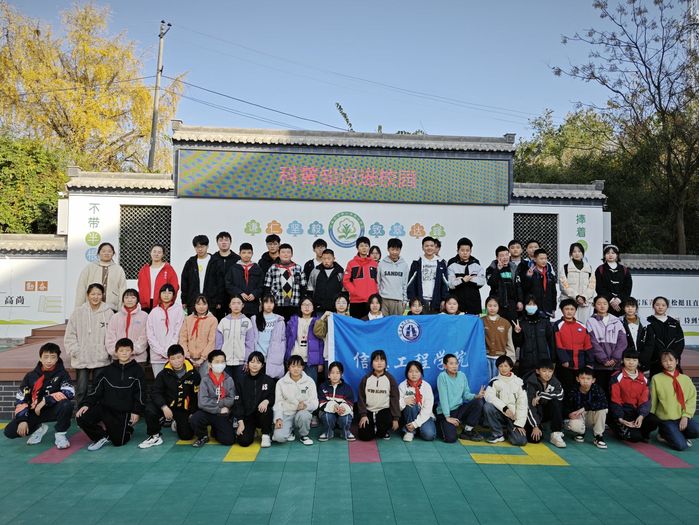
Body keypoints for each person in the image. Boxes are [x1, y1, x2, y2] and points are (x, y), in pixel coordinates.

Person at [75, 338, 146, 451]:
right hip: (105, 408)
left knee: (118, 442)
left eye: (127, 350)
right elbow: (96, 390)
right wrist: (86, 404)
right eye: (121, 350)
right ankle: (101, 436)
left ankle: (127, 429)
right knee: (81, 417)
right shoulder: (107, 370)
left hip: (123, 412)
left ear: (132, 352)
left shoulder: (137, 370)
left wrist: (136, 411)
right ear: (116, 352)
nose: (124, 353)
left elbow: (141, 393)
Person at [3, 342, 74, 450]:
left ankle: (60, 435)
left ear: (57, 359)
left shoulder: (62, 374)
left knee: (66, 405)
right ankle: (38, 428)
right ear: (40, 358)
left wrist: (46, 400)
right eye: (46, 357)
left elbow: (69, 392)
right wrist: (22, 419)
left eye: (53, 357)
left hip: (53, 409)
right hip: (35, 411)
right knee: (10, 432)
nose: (49, 361)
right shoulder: (30, 376)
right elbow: (21, 398)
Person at [139, 344, 201, 448]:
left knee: (187, 436)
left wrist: (192, 412)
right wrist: (163, 406)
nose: (176, 361)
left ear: (184, 357)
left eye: (179, 357)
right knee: (150, 409)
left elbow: (195, 395)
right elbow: (155, 392)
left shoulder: (194, 374)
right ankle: (155, 435)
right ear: (169, 359)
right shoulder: (163, 374)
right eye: (173, 358)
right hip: (167, 407)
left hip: (182, 409)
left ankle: (176, 423)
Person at [64, 283, 114, 406]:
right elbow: (70, 334)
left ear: (102, 295)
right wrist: (75, 351)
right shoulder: (78, 312)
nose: (96, 297)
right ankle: (81, 413)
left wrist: (108, 352)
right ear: (87, 295)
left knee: (98, 389)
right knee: (82, 390)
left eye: (98, 294)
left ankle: (95, 413)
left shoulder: (108, 313)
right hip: (82, 357)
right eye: (93, 294)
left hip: (101, 357)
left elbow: (113, 334)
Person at [642, 351, 697, 451]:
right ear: (661, 363)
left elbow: (691, 399)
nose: (668, 363)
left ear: (677, 361)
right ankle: (663, 433)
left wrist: (686, 416)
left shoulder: (686, 379)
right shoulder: (656, 379)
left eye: (671, 360)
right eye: (665, 361)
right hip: (666, 419)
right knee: (681, 446)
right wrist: (650, 418)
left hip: (682, 417)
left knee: (696, 430)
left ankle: (677, 433)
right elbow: (653, 400)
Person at [189, 350, 236, 447]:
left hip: (222, 414)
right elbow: (202, 402)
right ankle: (203, 436)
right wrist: (219, 408)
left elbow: (231, 399)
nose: (220, 364)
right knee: (195, 419)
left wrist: (218, 405)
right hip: (208, 411)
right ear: (210, 364)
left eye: (222, 362)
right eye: (217, 362)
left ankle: (215, 430)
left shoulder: (229, 379)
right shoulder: (205, 380)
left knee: (228, 440)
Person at [435, 354, 484, 443]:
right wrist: (447, 417)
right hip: (445, 412)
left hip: (458, 409)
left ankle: (467, 431)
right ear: (445, 366)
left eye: (456, 363)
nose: (454, 366)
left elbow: (466, 395)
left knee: (478, 402)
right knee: (451, 439)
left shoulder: (462, 375)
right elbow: (443, 398)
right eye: (451, 363)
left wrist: (476, 396)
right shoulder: (442, 376)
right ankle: (440, 424)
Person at [272, 355, 319, 445]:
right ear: (288, 367)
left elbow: (315, 402)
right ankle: (290, 430)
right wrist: (278, 418)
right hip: (287, 414)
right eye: (293, 366)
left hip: (301, 413)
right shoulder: (281, 382)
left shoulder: (309, 381)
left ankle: (304, 435)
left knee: (304, 415)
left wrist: (306, 406)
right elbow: (278, 403)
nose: (296, 369)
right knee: (279, 438)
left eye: (299, 366)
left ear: (302, 367)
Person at [233, 351, 276, 448]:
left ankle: (266, 434)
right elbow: (238, 402)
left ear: (262, 365)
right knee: (243, 442)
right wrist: (240, 422)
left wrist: (267, 401)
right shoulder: (241, 380)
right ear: (248, 363)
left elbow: (273, 396)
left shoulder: (268, 380)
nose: (255, 365)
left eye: (258, 362)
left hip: (261, 415)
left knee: (266, 410)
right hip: (247, 417)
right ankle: (252, 431)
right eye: (252, 362)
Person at [586, 295, 627, 396]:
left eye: (605, 303)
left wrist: (615, 358)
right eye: (599, 304)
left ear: (609, 305)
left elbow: (622, 341)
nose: (602, 306)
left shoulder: (616, 321)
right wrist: (603, 359)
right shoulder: (591, 321)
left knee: (614, 392)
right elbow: (592, 342)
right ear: (594, 305)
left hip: (615, 365)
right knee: (600, 391)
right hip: (599, 365)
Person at [483, 355, 528, 446]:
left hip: (514, 417)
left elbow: (523, 404)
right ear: (497, 368)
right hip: (500, 414)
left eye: (506, 366)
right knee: (488, 406)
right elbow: (489, 396)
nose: (503, 369)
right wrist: (505, 409)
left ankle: (509, 431)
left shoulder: (519, 382)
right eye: (500, 366)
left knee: (520, 441)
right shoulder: (494, 381)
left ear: (511, 367)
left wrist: (519, 424)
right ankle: (498, 434)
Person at [357, 350, 401, 441]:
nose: (379, 363)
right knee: (364, 436)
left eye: (382, 360)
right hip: (368, 411)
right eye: (376, 360)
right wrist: (363, 415)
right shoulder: (366, 379)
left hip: (383, 411)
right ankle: (373, 428)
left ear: (385, 363)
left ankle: (381, 430)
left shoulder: (390, 379)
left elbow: (395, 399)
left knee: (382, 432)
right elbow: (361, 398)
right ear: (372, 363)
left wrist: (396, 419)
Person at [609, 349, 649, 443]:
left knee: (654, 420)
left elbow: (645, 400)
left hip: (636, 411)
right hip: (623, 411)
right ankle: (618, 428)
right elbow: (615, 399)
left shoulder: (644, 379)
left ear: (638, 362)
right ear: (622, 360)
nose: (631, 362)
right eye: (628, 359)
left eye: (634, 360)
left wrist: (641, 415)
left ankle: (641, 433)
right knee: (635, 438)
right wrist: (620, 418)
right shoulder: (616, 377)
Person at [75, 242, 127, 312]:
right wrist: (78, 309)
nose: (106, 253)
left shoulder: (118, 269)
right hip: (91, 308)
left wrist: (121, 309)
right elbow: (81, 288)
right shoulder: (90, 267)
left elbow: (122, 289)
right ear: (98, 253)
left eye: (109, 251)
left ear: (113, 253)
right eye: (103, 251)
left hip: (112, 308)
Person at [524, 360, 566, 448]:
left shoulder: (555, 381)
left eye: (550, 371)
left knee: (555, 401)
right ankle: (539, 426)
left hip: (547, 412)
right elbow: (529, 406)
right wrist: (535, 425)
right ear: (537, 371)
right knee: (534, 440)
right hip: (534, 413)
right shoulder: (531, 383)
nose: (547, 374)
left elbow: (560, 395)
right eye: (544, 371)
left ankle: (556, 434)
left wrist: (541, 395)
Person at [564, 368, 609, 449]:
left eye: (588, 378)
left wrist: (584, 408)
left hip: (592, 416)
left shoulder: (597, 389)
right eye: (582, 378)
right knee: (574, 425)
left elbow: (604, 403)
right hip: (579, 416)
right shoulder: (573, 390)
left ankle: (598, 436)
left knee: (603, 409)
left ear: (593, 380)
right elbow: (566, 405)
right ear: (577, 379)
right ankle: (581, 433)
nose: (585, 381)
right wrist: (569, 414)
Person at [553, 298, 593, 390]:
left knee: (579, 388)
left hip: (581, 363)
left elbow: (588, 345)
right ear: (562, 310)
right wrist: (564, 360)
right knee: (566, 387)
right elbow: (558, 344)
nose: (569, 312)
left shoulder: (582, 326)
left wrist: (589, 362)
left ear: (575, 310)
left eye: (572, 309)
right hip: (565, 364)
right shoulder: (557, 325)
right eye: (566, 309)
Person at [147, 284, 185, 377]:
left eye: (169, 293)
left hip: (173, 356)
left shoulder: (178, 310)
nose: (166, 295)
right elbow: (150, 335)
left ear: (173, 295)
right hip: (157, 356)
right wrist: (161, 351)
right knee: (159, 381)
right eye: (164, 292)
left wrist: (169, 350)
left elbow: (178, 332)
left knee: (175, 382)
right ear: (159, 294)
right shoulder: (154, 312)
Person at [245, 295, 287, 379]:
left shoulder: (279, 320)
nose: (269, 305)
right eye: (266, 302)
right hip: (258, 357)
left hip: (274, 357)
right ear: (262, 304)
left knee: (271, 383)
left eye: (271, 302)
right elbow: (250, 340)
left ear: (274, 304)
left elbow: (283, 340)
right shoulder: (254, 319)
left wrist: (280, 354)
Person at [641, 296, 685, 377]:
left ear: (667, 307)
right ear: (653, 306)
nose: (660, 307)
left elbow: (680, 342)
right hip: (655, 362)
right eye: (657, 305)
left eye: (663, 305)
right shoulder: (647, 322)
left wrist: (672, 357)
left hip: (672, 361)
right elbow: (646, 343)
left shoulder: (674, 323)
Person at [180, 235, 223, 316]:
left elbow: (220, 282)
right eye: (197, 247)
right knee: (193, 323)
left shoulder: (216, 262)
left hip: (211, 302)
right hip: (193, 301)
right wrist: (184, 300)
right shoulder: (190, 262)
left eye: (202, 246)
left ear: (207, 246)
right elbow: (184, 282)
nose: (200, 249)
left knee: (210, 323)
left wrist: (219, 301)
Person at [264, 243, 307, 322]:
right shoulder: (273, 268)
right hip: (278, 303)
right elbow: (267, 286)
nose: (285, 254)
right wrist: (269, 302)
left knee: (293, 326)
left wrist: (302, 302)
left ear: (292, 254)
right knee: (279, 326)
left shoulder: (298, 268)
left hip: (295, 303)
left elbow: (303, 286)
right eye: (283, 252)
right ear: (279, 254)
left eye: (288, 252)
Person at [285, 296, 324, 382]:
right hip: (295, 359)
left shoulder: (317, 322)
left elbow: (321, 344)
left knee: (310, 385)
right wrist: (287, 357)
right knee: (294, 386)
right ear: (300, 307)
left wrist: (320, 362)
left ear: (313, 308)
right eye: (304, 305)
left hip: (311, 361)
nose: (306, 307)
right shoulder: (293, 321)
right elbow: (287, 340)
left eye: (309, 305)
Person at [515, 295, 554, 378]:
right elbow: (518, 343)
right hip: (526, 362)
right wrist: (518, 333)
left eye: (533, 304)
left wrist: (553, 359)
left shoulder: (545, 321)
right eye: (529, 304)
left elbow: (551, 341)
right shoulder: (521, 322)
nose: (531, 306)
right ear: (525, 306)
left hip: (543, 361)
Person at [106, 289, 149, 366]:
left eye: (133, 297)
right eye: (126, 297)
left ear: (137, 300)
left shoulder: (144, 316)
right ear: (123, 300)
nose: (129, 300)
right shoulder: (115, 317)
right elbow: (110, 336)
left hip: (138, 359)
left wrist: (130, 351)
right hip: (117, 359)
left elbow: (144, 338)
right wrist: (118, 351)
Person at [407, 236, 449, 314]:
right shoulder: (416, 263)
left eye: (431, 246)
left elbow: (445, 283)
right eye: (426, 246)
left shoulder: (441, 263)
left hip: (436, 301)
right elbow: (411, 283)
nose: (429, 248)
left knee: (435, 322)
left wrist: (444, 299)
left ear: (435, 247)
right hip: (420, 302)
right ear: (423, 248)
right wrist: (412, 300)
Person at [217, 295, 253, 384]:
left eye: (238, 303)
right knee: (226, 386)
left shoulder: (247, 321)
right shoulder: (223, 321)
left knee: (240, 387)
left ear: (242, 305)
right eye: (233, 303)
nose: (236, 306)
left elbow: (250, 343)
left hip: (241, 362)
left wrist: (247, 360)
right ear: (229, 305)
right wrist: (218, 359)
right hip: (225, 361)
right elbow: (218, 343)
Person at [317, 361, 356, 441]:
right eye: (332, 373)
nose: (335, 375)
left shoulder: (347, 388)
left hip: (342, 412)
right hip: (328, 412)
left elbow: (350, 403)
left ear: (341, 375)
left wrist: (343, 408)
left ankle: (345, 432)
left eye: (338, 373)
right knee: (327, 416)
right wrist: (333, 406)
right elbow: (321, 403)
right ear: (328, 374)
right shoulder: (323, 386)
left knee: (345, 418)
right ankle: (328, 432)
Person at [398, 361, 436, 442]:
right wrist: (404, 401)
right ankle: (409, 431)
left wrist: (416, 424)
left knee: (429, 435)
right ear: (407, 373)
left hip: (425, 415)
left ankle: (416, 428)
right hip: (409, 415)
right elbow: (397, 406)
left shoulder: (426, 386)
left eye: (417, 371)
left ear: (421, 373)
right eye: (411, 371)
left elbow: (428, 408)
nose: (414, 374)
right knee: (411, 401)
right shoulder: (402, 385)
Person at [447, 237, 485, 315]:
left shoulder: (476, 263)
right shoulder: (452, 263)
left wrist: (468, 279)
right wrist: (463, 280)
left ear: (471, 251)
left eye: (467, 250)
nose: (465, 253)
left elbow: (482, 281)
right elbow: (451, 284)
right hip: (457, 304)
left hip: (473, 303)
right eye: (462, 250)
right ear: (457, 251)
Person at [559, 242, 596, 323]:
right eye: (574, 251)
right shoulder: (565, 268)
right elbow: (564, 285)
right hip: (569, 302)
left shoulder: (589, 268)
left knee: (583, 325)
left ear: (583, 253)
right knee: (569, 324)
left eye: (579, 251)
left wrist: (583, 297)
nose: (577, 254)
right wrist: (577, 297)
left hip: (585, 303)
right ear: (571, 254)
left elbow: (592, 286)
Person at [225, 242, 264, 319]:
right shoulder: (233, 268)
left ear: (252, 253)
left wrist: (254, 294)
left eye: (249, 253)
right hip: (237, 305)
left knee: (252, 324)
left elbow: (261, 285)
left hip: (253, 305)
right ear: (239, 253)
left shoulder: (257, 268)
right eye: (244, 252)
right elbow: (228, 285)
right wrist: (240, 293)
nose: (246, 255)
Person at [343, 236, 379, 319]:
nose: (364, 248)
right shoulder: (351, 263)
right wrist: (354, 291)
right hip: (356, 301)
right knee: (356, 325)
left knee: (371, 324)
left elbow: (378, 281)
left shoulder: (374, 264)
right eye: (361, 246)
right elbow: (346, 281)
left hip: (371, 301)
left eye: (366, 246)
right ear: (357, 248)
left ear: (369, 248)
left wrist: (376, 292)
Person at [136, 244, 179, 312]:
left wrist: (170, 301)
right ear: (150, 253)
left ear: (163, 254)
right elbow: (140, 286)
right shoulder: (144, 269)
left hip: (162, 304)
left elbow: (174, 286)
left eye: (159, 252)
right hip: (146, 305)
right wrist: (142, 300)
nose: (156, 254)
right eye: (154, 251)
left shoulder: (168, 269)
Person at [179, 295, 217, 369]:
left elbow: (212, 341)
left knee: (204, 376)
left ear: (208, 305)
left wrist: (202, 359)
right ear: (194, 305)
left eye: (204, 304)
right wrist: (187, 355)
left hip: (205, 359)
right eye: (198, 304)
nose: (201, 307)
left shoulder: (213, 320)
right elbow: (183, 338)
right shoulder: (188, 319)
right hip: (188, 358)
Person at [482, 296, 515, 380]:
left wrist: (511, 360)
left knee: (499, 382)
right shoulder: (480, 321)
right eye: (489, 306)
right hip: (485, 358)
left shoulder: (506, 323)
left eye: (495, 306)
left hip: (500, 359)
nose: (492, 308)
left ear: (498, 307)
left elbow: (509, 344)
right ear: (486, 307)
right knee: (486, 382)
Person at [595, 245, 632, 317]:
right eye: (608, 253)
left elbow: (628, 288)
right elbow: (599, 287)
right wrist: (611, 300)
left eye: (613, 253)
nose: (610, 255)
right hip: (604, 304)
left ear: (617, 255)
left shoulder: (624, 269)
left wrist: (618, 299)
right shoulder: (600, 269)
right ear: (604, 255)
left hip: (621, 304)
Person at [211, 231, 241, 320]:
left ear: (230, 242)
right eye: (221, 240)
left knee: (234, 322)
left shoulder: (237, 259)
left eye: (226, 240)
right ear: (217, 243)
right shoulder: (212, 259)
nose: (223, 242)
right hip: (217, 299)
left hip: (234, 297)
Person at [485, 245, 520, 322]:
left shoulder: (513, 268)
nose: (505, 257)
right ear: (497, 258)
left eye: (506, 255)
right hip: (497, 303)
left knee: (512, 325)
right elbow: (491, 283)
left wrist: (519, 301)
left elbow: (518, 286)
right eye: (502, 255)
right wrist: (498, 269)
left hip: (511, 303)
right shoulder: (491, 269)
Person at [306, 248, 344, 314]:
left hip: (336, 309)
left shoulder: (340, 271)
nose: (326, 261)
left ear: (334, 258)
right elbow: (310, 288)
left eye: (329, 258)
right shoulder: (315, 271)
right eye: (324, 259)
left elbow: (344, 289)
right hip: (319, 308)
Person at [377, 238, 409, 316]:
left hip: (398, 301)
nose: (394, 252)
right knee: (384, 322)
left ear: (400, 250)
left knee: (396, 323)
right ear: (388, 249)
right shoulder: (381, 264)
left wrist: (405, 300)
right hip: (384, 300)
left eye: (397, 250)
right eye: (392, 249)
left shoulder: (404, 265)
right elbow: (378, 282)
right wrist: (379, 298)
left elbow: (405, 284)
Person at [521, 248, 557, 318]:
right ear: (535, 259)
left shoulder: (550, 274)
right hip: (533, 307)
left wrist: (553, 309)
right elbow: (524, 289)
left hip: (547, 308)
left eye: (545, 259)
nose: (544, 261)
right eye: (541, 259)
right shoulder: (529, 271)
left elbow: (553, 292)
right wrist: (528, 277)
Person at [313, 293, 350, 358]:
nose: (341, 305)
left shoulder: (351, 320)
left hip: (346, 354)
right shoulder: (329, 318)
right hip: (330, 354)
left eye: (344, 303)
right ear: (334, 305)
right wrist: (323, 317)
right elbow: (318, 333)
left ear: (348, 305)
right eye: (338, 303)